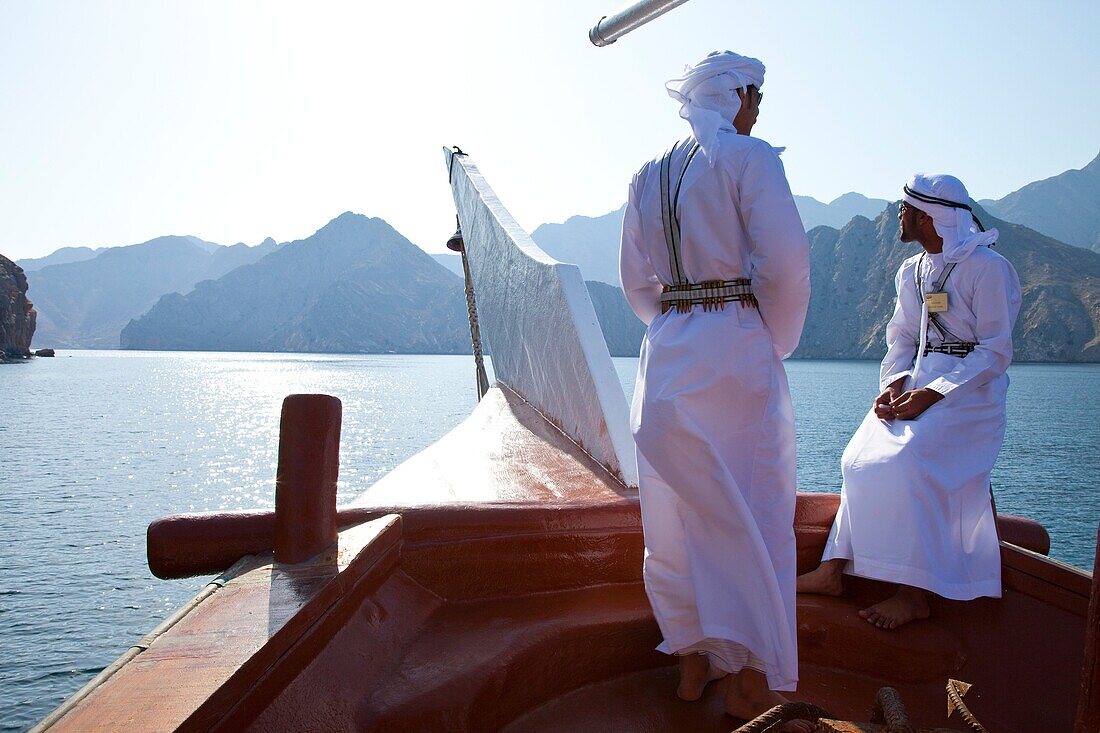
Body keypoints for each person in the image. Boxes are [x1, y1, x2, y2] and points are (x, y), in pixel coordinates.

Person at [619, 51, 811, 724]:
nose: (758, 111)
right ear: (735, 95)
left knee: (673, 515)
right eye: (755, 97)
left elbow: (635, 283)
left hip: (664, 353)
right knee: (755, 509)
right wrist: (770, 338)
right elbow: (784, 265)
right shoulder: (748, 159)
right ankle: (753, 674)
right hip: (733, 348)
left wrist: (675, 323)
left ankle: (692, 658)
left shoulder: (647, 175)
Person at [797, 173, 1022, 630]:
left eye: (903, 209)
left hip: (971, 392)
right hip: (917, 385)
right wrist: (893, 385)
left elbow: (996, 351)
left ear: (928, 216)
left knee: (912, 460)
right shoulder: (913, 271)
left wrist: (932, 394)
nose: (896, 216)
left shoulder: (988, 269)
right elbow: (901, 337)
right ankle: (831, 571)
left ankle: (914, 595)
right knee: (856, 459)